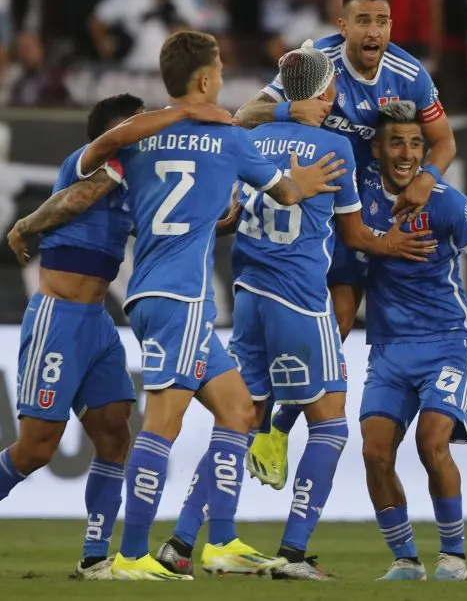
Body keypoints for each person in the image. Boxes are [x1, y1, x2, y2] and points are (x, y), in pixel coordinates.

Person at [155, 43, 437, 581]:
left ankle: (181, 541)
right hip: (302, 301)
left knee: (238, 423)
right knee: (329, 425)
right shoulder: (335, 148)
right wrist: (392, 245)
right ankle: (291, 554)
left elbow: (228, 213)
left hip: (249, 298)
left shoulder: (250, 137)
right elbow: (354, 236)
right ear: (327, 92)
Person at [71, 30, 346, 580]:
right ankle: (130, 556)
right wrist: (306, 180)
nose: (223, 79)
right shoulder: (228, 138)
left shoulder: (141, 137)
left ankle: (220, 542)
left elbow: (91, 157)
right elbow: (286, 193)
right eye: (218, 70)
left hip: (148, 289)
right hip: (182, 297)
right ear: (204, 80)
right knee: (163, 423)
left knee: (240, 410)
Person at [0, 93, 234, 581]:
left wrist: (223, 219)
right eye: (134, 126)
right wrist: (27, 225)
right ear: (109, 134)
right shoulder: (84, 165)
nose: (143, 133)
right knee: (36, 448)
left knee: (115, 434)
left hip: (97, 323)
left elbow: (178, 226)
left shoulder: (138, 186)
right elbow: (71, 200)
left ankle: (95, 557)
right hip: (57, 318)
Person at [235, 0, 458, 486]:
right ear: (343, 26)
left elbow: (443, 142)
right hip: (310, 202)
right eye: (363, 21)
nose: (373, 30)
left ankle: (275, 425)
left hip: (362, 204)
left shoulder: (409, 75)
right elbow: (242, 116)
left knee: (339, 315)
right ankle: (258, 415)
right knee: (303, 319)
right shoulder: (314, 65)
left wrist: (426, 180)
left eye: (382, 21)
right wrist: (289, 110)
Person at [358, 101, 467, 581]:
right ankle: (405, 560)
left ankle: (453, 555)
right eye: (397, 142)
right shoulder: (360, 193)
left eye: (415, 142)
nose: (407, 152)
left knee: (432, 445)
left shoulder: (446, 199)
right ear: (377, 148)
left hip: (445, 340)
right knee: (374, 453)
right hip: (388, 347)